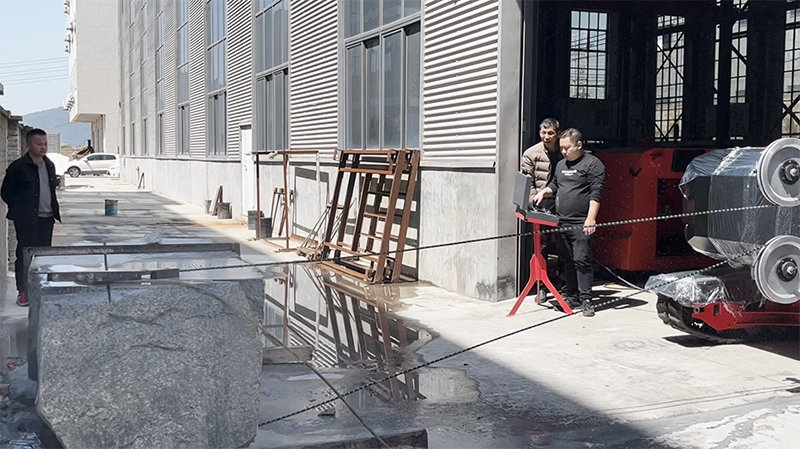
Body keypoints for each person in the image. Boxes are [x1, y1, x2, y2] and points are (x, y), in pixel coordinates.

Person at [533, 128, 605, 317]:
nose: (564, 151)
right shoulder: (560, 165)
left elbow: (596, 193)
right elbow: (555, 184)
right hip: (561, 220)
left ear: (579, 145)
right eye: (562, 148)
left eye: (567, 148)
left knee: (582, 259)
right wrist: (544, 192)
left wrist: (591, 219)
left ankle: (586, 299)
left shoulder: (593, 165)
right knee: (566, 259)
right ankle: (570, 295)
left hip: (581, 222)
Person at [1, 128, 61, 307]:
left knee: (44, 255)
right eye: (38, 144)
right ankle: (24, 291)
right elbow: (6, 192)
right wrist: (21, 210)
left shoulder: (49, 164)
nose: (43, 147)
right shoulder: (18, 167)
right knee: (25, 254)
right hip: (26, 219)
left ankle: (42, 287)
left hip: (47, 217)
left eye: (45, 144)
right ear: (28, 145)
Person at [520, 118, 563, 299]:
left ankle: (564, 283)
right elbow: (526, 181)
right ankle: (541, 287)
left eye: (551, 133)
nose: (547, 137)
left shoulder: (565, 150)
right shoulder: (531, 154)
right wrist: (533, 203)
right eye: (543, 133)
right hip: (541, 202)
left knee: (564, 243)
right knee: (542, 243)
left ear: (558, 133)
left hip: (563, 201)